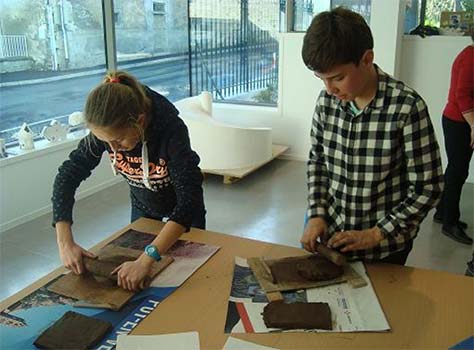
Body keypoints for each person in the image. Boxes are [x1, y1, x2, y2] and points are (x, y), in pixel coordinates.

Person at [299, 7, 443, 264]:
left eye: (338, 78)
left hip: (385, 249)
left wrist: (377, 233)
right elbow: (318, 162)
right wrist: (317, 214)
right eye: (322, 80)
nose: (330, 89)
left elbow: (428, 187)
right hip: (333, 240)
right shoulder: (326, 103)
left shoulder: (406, 108)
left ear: (367, 59)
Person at [52, 71, 206, 291]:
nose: (113, 149)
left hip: (184, 214)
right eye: (105, 142)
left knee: (189, 278)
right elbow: (67, 177)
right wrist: (64, 243)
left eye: (118, 141)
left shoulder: (172, 131)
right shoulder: (107, 131)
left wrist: (148, 258)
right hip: (143, 205)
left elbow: (188, 201)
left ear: (140, 122)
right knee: (138, 280)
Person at [433, 36, 473, 245]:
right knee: (458, 171)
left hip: (462, 122)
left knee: (455, 170)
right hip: (458, 122)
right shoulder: (470, 58)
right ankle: (450, 223)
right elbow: (462, 96)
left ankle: (441, 212)